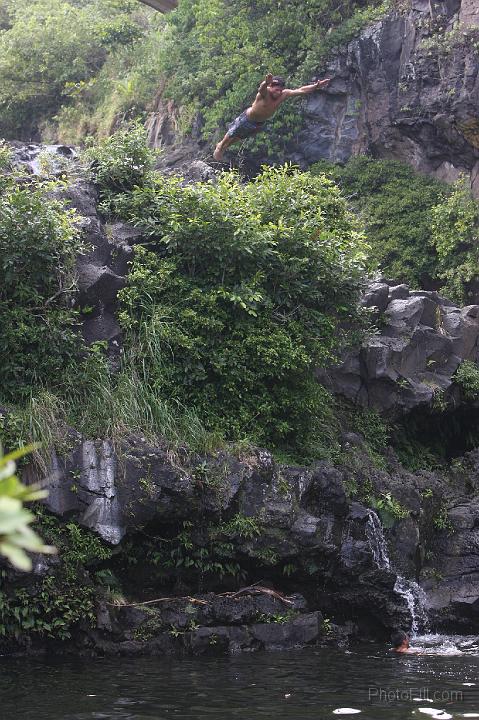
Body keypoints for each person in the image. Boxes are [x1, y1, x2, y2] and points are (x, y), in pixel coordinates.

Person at [213, 72, 331, 161]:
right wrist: (266, 82)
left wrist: (316, 86)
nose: (278, 92)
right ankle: (220, 147)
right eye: (276, 89)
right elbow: (261, 89)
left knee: (239, 138)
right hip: (247, 118)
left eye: (280, 90)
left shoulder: (284, 94)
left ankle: (224, 146)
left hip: (258, 123)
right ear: (271, 87)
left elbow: (301, 90)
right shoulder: (265, 93)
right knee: (232, 133)